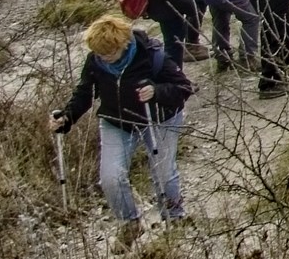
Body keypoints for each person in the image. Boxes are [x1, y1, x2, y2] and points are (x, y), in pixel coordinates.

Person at [50, 13, 193, 238]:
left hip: (159, 118)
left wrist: (156, 91)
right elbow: (85, 94)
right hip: (117, 122)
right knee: (110, 177)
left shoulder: (152, 56)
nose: (105, 58)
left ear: (124, 43)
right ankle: (130, 223)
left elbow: (184, 87)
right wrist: (67, 117)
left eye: (110, 53)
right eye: (99, 53)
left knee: (163, 172)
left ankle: (174, 219)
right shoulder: (95, 61)